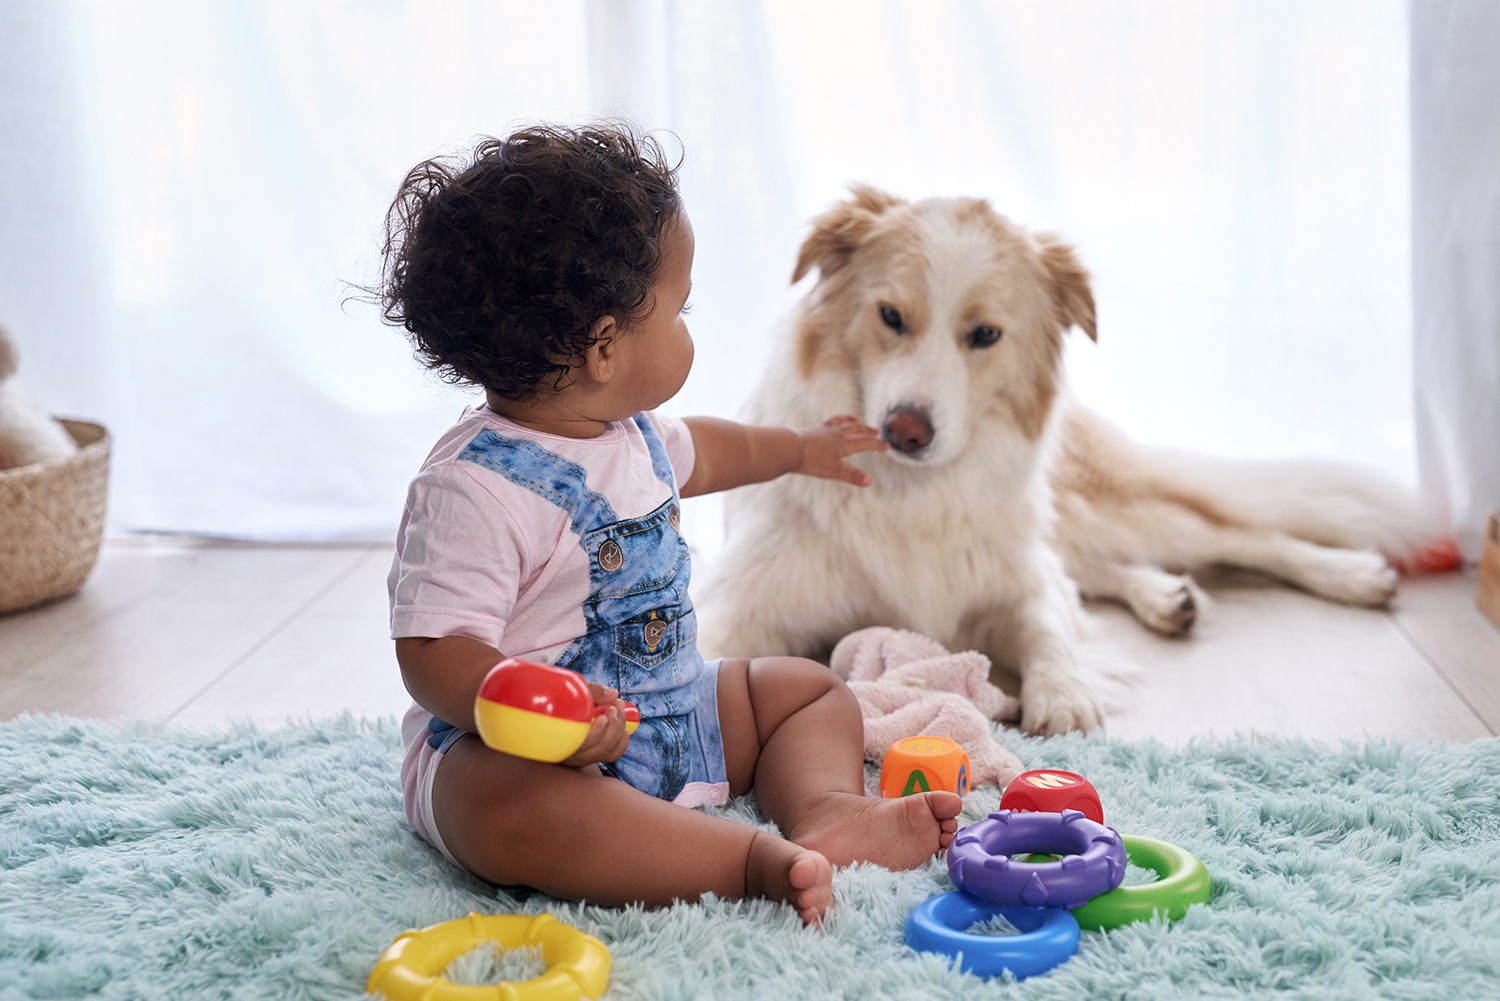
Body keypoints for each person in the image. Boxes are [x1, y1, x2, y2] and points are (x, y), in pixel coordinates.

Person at [380, 123, 962, 925]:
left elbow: (715, 452)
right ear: (605, 347)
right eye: (680, 308)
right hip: (527, 754)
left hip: (670, 710)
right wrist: (539, 709)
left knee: (806, 689)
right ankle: (744, 861)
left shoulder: (631, 435)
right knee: (513, 809)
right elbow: (432, 650)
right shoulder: (474, 488)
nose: (690, 325)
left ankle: (825, 806)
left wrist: (801, 446)